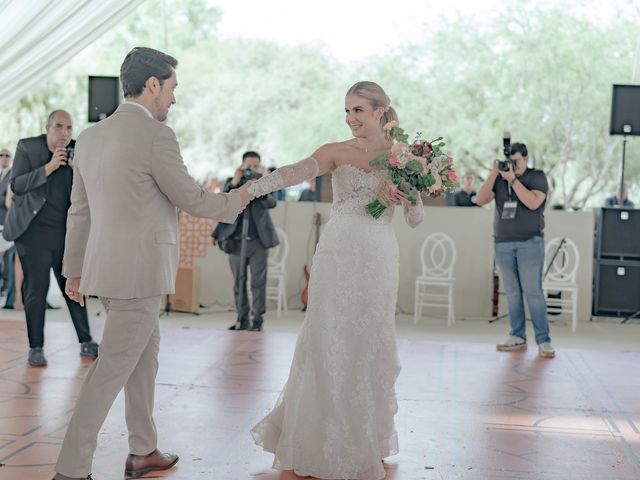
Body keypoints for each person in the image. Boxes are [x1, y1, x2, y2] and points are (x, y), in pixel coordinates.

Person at [52, 46, 252, 480]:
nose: (174, 100)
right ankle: (70, 469)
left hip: (107, 269)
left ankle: (143, 450)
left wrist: (74, 269)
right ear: (154, 84)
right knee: (110, 371)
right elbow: (192, 198)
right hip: (140, 273)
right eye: (173, 88)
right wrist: (242, 197)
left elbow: (79, 211)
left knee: (144, 359)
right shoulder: (156, 136)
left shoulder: (88, 137)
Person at [248, 81, 423, 480]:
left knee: (370, 342)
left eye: (359, 110)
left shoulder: (402, 158)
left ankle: (368, 439)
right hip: (337, 252)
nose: (351, 119)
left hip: (378, 255)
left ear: (380, 112)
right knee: (325, 339)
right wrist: (251, 190)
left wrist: (406, 197)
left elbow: (415, 219)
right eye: (347, 111)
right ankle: (316, 438)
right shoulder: (335, 152)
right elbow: (294, 172)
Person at [2, 111, 99, 367]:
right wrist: (49, 167)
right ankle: (36, 347)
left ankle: (86, 340)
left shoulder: (77, 150)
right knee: (36, 289)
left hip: (66, 234)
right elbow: (18, 185)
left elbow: (94, 187)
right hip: (32, 233)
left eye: (69, 127)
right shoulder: (28, 147)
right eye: (59, 127)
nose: (65, 133)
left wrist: (78, 167)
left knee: (74, 287)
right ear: (47, 127)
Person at [476, 142, 555, 358]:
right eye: (509, 161)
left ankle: (544, 340)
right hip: (502, 243)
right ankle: (517, 336)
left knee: (533, 292)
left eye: (516, 161)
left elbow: (532, 203)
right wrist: (494, 174)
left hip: (530, 242)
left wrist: (513, 179)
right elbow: (480, 200)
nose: (512, 165)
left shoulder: (536, 176)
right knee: (512, 293)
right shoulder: (499, 179)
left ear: (526, 159)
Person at [212, 151, 279, 332]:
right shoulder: (233, 182)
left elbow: (272, 202)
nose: (251, 170)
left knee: (258, 282)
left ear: (261, 167)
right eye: (248, 166)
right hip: (235, 241)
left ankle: (257, 320)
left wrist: (262, 185)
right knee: (238, 282)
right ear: (241, 166)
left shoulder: (266, 184)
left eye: (255, 166)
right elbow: (223, 202)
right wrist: (235, 182)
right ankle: (242, 318)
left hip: (258, 242)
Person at [0, 148, 13, 295]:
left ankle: (5, 286)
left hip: (5, 222)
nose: (3, 158)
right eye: (1, 155)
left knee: (6, 255)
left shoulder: (13, 175)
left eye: (7, 155)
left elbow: (11, 200)